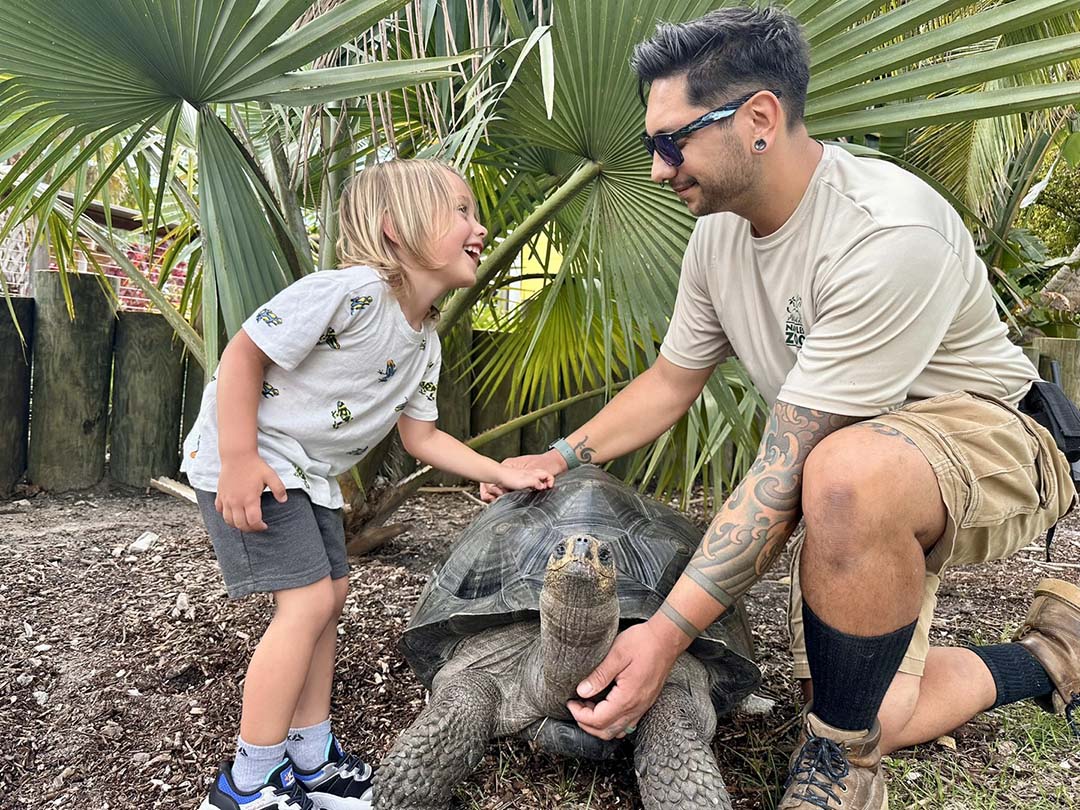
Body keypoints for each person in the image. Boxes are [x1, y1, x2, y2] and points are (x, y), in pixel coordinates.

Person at [485, 7, 1080, 809]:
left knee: (842, 476)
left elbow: (788, 469)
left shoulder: (886, 231)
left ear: (759, 119)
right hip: (859, 466)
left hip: (995, 439)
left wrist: (663, 637)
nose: (657, 170)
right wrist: (558, 456)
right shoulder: (718, 235)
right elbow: (670, 381)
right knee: (874, 705)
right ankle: (1053, 654)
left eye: (671, 143)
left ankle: (840, 765)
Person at [184, 159, 554, 810]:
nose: (480, 226)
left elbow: (422, 438)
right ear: (395, 229)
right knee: (305, 606)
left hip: (310, 474)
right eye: (461, 211)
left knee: (328, 599)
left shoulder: (425, 340)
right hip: (255, 458)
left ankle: (313, 760)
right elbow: (243, 354)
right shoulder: (348, 293)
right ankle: (247, 784)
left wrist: (498, 471)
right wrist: (238, 457)